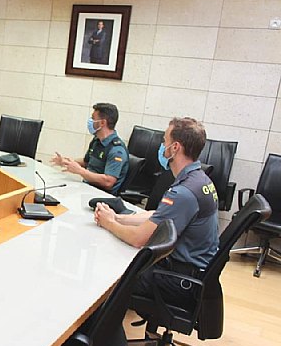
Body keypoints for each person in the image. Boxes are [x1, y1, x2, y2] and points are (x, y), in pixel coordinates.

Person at [94, 117, 219, 309]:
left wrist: (109, 223)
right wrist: (118, 218)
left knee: (109, 276)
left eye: (164, 141)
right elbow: (160, 215)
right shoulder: (199, 179)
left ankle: (101, 326)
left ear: (175, 147)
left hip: (178, 280)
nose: (162, 146)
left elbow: (138, 239)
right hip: (191, 271)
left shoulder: (184, 193)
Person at [51, 103, 129, 195]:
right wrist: (67, 162)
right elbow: (87, 162)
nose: (90, 121)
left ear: (102, 123)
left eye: (93, 118)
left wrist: (80, 171)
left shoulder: (116, 150)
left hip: (102, 197)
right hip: (86, 189)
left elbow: (108, 182)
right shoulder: (97, 140)